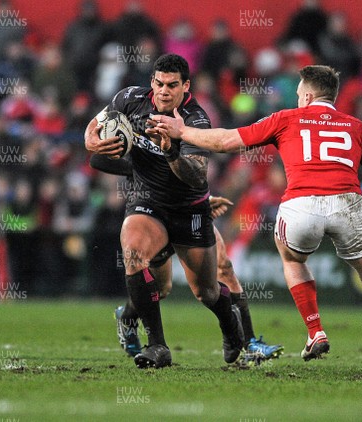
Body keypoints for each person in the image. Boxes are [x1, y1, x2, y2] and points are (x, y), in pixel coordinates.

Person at [154, 65, 362, 379]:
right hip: (349, 205)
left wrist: (181, 132)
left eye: (299, 93)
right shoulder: (358, 127)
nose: (297, 97)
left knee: (291, 257)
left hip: (301, 205)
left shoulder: (286, 119)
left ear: (309, 95)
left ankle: (315, 331)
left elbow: (225, 140)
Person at [84, 54, 243, 369]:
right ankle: (157, 346)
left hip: (189, 209)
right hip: (147, 202)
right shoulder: (130, 99)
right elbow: (97, 122)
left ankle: (231, 325)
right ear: (152, 82)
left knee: (207, 292)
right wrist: (91, 140)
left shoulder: (195, 120)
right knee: (133, 255)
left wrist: (171, 149)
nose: (164, 91)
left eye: (172, 85)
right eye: (158, 83)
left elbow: (197, 175)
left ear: (186, 86)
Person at [89, 153, 284, 362]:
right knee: (160, 289)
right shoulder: (138, 127)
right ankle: (128, 318)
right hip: (153, 214)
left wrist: (203, 198)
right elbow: (98, 160)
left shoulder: (189, 124)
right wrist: (144, 169)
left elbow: (191, 169)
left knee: (223, 269)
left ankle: (250, 343)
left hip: (191, 211)